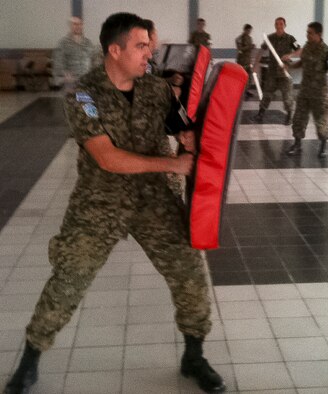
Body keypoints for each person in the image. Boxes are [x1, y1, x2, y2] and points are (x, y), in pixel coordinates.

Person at [4, 12, 226, 394]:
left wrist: (189, 138)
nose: (149, 54)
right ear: (115, 49)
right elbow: (107, 157)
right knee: (69, 279)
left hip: (154, 197)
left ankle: (194, 355)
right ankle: (30, 357)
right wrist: (173, 163)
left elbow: (178, 126)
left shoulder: (156, 89)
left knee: (189, 273)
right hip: (100, 199)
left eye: (150, 47)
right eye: (142, 46)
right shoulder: (84, 96)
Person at [283, 22, 328, 158]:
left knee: (321, 120)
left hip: (320, 92)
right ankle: (297, 144)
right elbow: (302, 62)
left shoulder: (327, 51)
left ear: (319, 34)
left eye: (310, 33)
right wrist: (290, 66)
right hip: (304, 90)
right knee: (299, 118)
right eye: (307, 32)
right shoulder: (306, 47)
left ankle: (324, 146)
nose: (307, 35)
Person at [251, 17, 300, 125]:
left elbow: (299, 50)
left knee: (287, 96)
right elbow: (261, 50)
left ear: (285, 25)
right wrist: (256, 64)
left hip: (284, 72)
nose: (279, 26)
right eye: (277, 24)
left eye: (281, 24)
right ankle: (260, 114)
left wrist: (290, 55)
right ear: (275, 25)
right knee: (267, 94)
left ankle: (289, 116)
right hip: (272, 72)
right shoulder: (270, 38)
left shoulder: (290, 38)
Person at [53, 16, 96, 90]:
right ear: (70, 26)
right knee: (73, 101)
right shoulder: (63, 43)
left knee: (86, 101)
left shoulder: (88, 43)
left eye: (80, 24)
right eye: (75, 24)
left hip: (86, 81)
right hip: (71, 82)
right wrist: (64, 73)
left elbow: (93, 59)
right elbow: (58, 62)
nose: (78, 26)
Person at [235, 24, 255, 99]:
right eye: (248, 30)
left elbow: (249, 49)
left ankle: (246, 91)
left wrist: (251, 48)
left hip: (248, 60)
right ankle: (241, 92)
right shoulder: (239, 38)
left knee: (249, 77)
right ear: (245, 30)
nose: (249, 32)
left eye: (250, 30)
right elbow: (240, 49)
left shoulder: (250, 38)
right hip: (242, 61)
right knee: (241, 77)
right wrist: (249, 47)